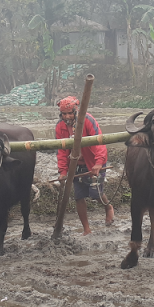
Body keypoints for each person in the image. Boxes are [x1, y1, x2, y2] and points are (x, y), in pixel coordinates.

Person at [55, 96, 114, 235]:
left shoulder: (88, 120)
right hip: (75, 164)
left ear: (76, 111)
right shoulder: (60, 126)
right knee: (78, 196)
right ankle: (86, 228)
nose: (67, 116)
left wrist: (99, 162)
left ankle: (108, 207)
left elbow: (99, 141)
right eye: (64, 114)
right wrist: (63, 171)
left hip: (93, 161)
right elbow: (62, 151)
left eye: (70, 113)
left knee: (95, 192)